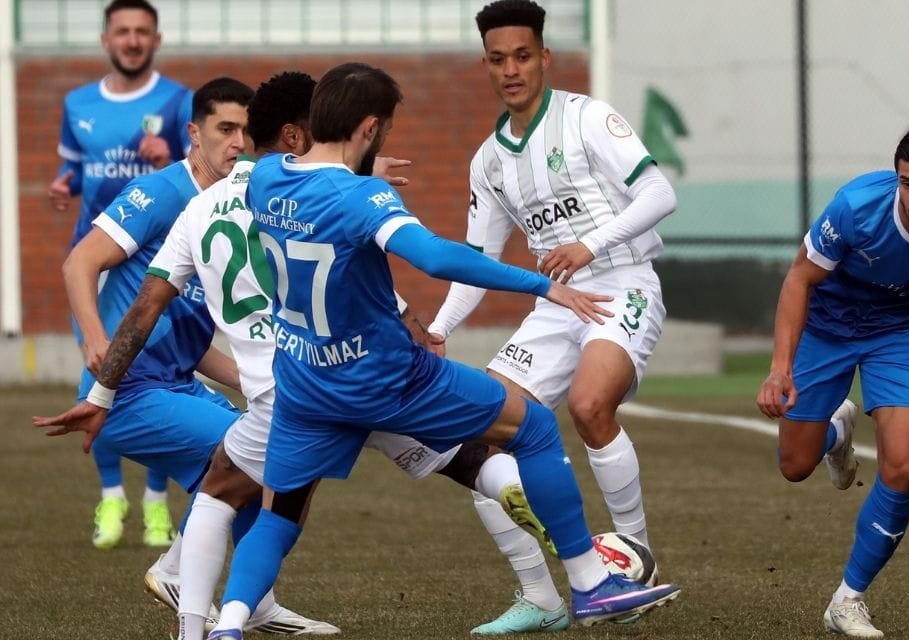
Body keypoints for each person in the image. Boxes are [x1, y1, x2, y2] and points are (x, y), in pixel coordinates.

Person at [36, 71, 555, 640]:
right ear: (292, 136)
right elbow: (349, 278)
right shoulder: (297, 198)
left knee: (226, 488)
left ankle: (205, 625)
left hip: (287, 393)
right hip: (352, 371)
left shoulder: (201, 209)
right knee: (470, 456)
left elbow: (144, 308)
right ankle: (559, 560)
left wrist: (101, 390)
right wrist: (416, 324)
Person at [202, 62, 680, 640]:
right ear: (372, 126)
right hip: (386, 379)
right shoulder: (362, 196)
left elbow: (288, 173)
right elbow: (433, 257)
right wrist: (540, 284)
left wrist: (353, 167)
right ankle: (588, 582)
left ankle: (227, 625)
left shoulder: (269, 177)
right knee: (529, 427)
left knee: (280, 516)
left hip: (306, 386)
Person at [37, 76, 337, 635]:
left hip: (173, 385)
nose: (237, 143)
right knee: (260, 458)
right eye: (225, 130)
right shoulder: (165, 194)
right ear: (193, 134)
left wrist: (252, 382)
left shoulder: (239, 205)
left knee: (265, 458)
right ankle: (179, 575)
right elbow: (79, 263)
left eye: (246, 132)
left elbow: (192, 344)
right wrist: (93, 339)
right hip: (126, 393)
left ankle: (254, 601)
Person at [426, 1, 680, 630]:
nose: (510, 69)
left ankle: (632, 559)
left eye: (521, 56)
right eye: (496, 59)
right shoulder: (488, 160)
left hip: (620, 285)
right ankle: (540, 598)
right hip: (556, 304)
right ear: (486, 65)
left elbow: (660, 192)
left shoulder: (588, 117)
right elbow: (476, 263)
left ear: (544, 57)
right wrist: (437, 328)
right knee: (478, 433)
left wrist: (592, 245)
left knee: (592, 405)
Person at [756, 123, 909, 638]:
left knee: (904, 467)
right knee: (795, 465)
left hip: (900, 333)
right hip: (827, 326)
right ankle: (836, 431)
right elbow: (799, 278)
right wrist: (781, 367)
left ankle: (848, 599)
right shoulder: (856, 206)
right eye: (907, 183)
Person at [49, 0, 193, 551]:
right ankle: (111, 496)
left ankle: (157, 502)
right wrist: (66, 183)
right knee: (99, 375)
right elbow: (77, 165)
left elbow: (196, 173)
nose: (132, 40)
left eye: (142, 31)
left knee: (161, 379)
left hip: (161, 265)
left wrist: (165, 158)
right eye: (123, 31)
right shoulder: (77, 102)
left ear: (157, 39)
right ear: (106, 39)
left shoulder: (179, 101)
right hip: (97, 262)